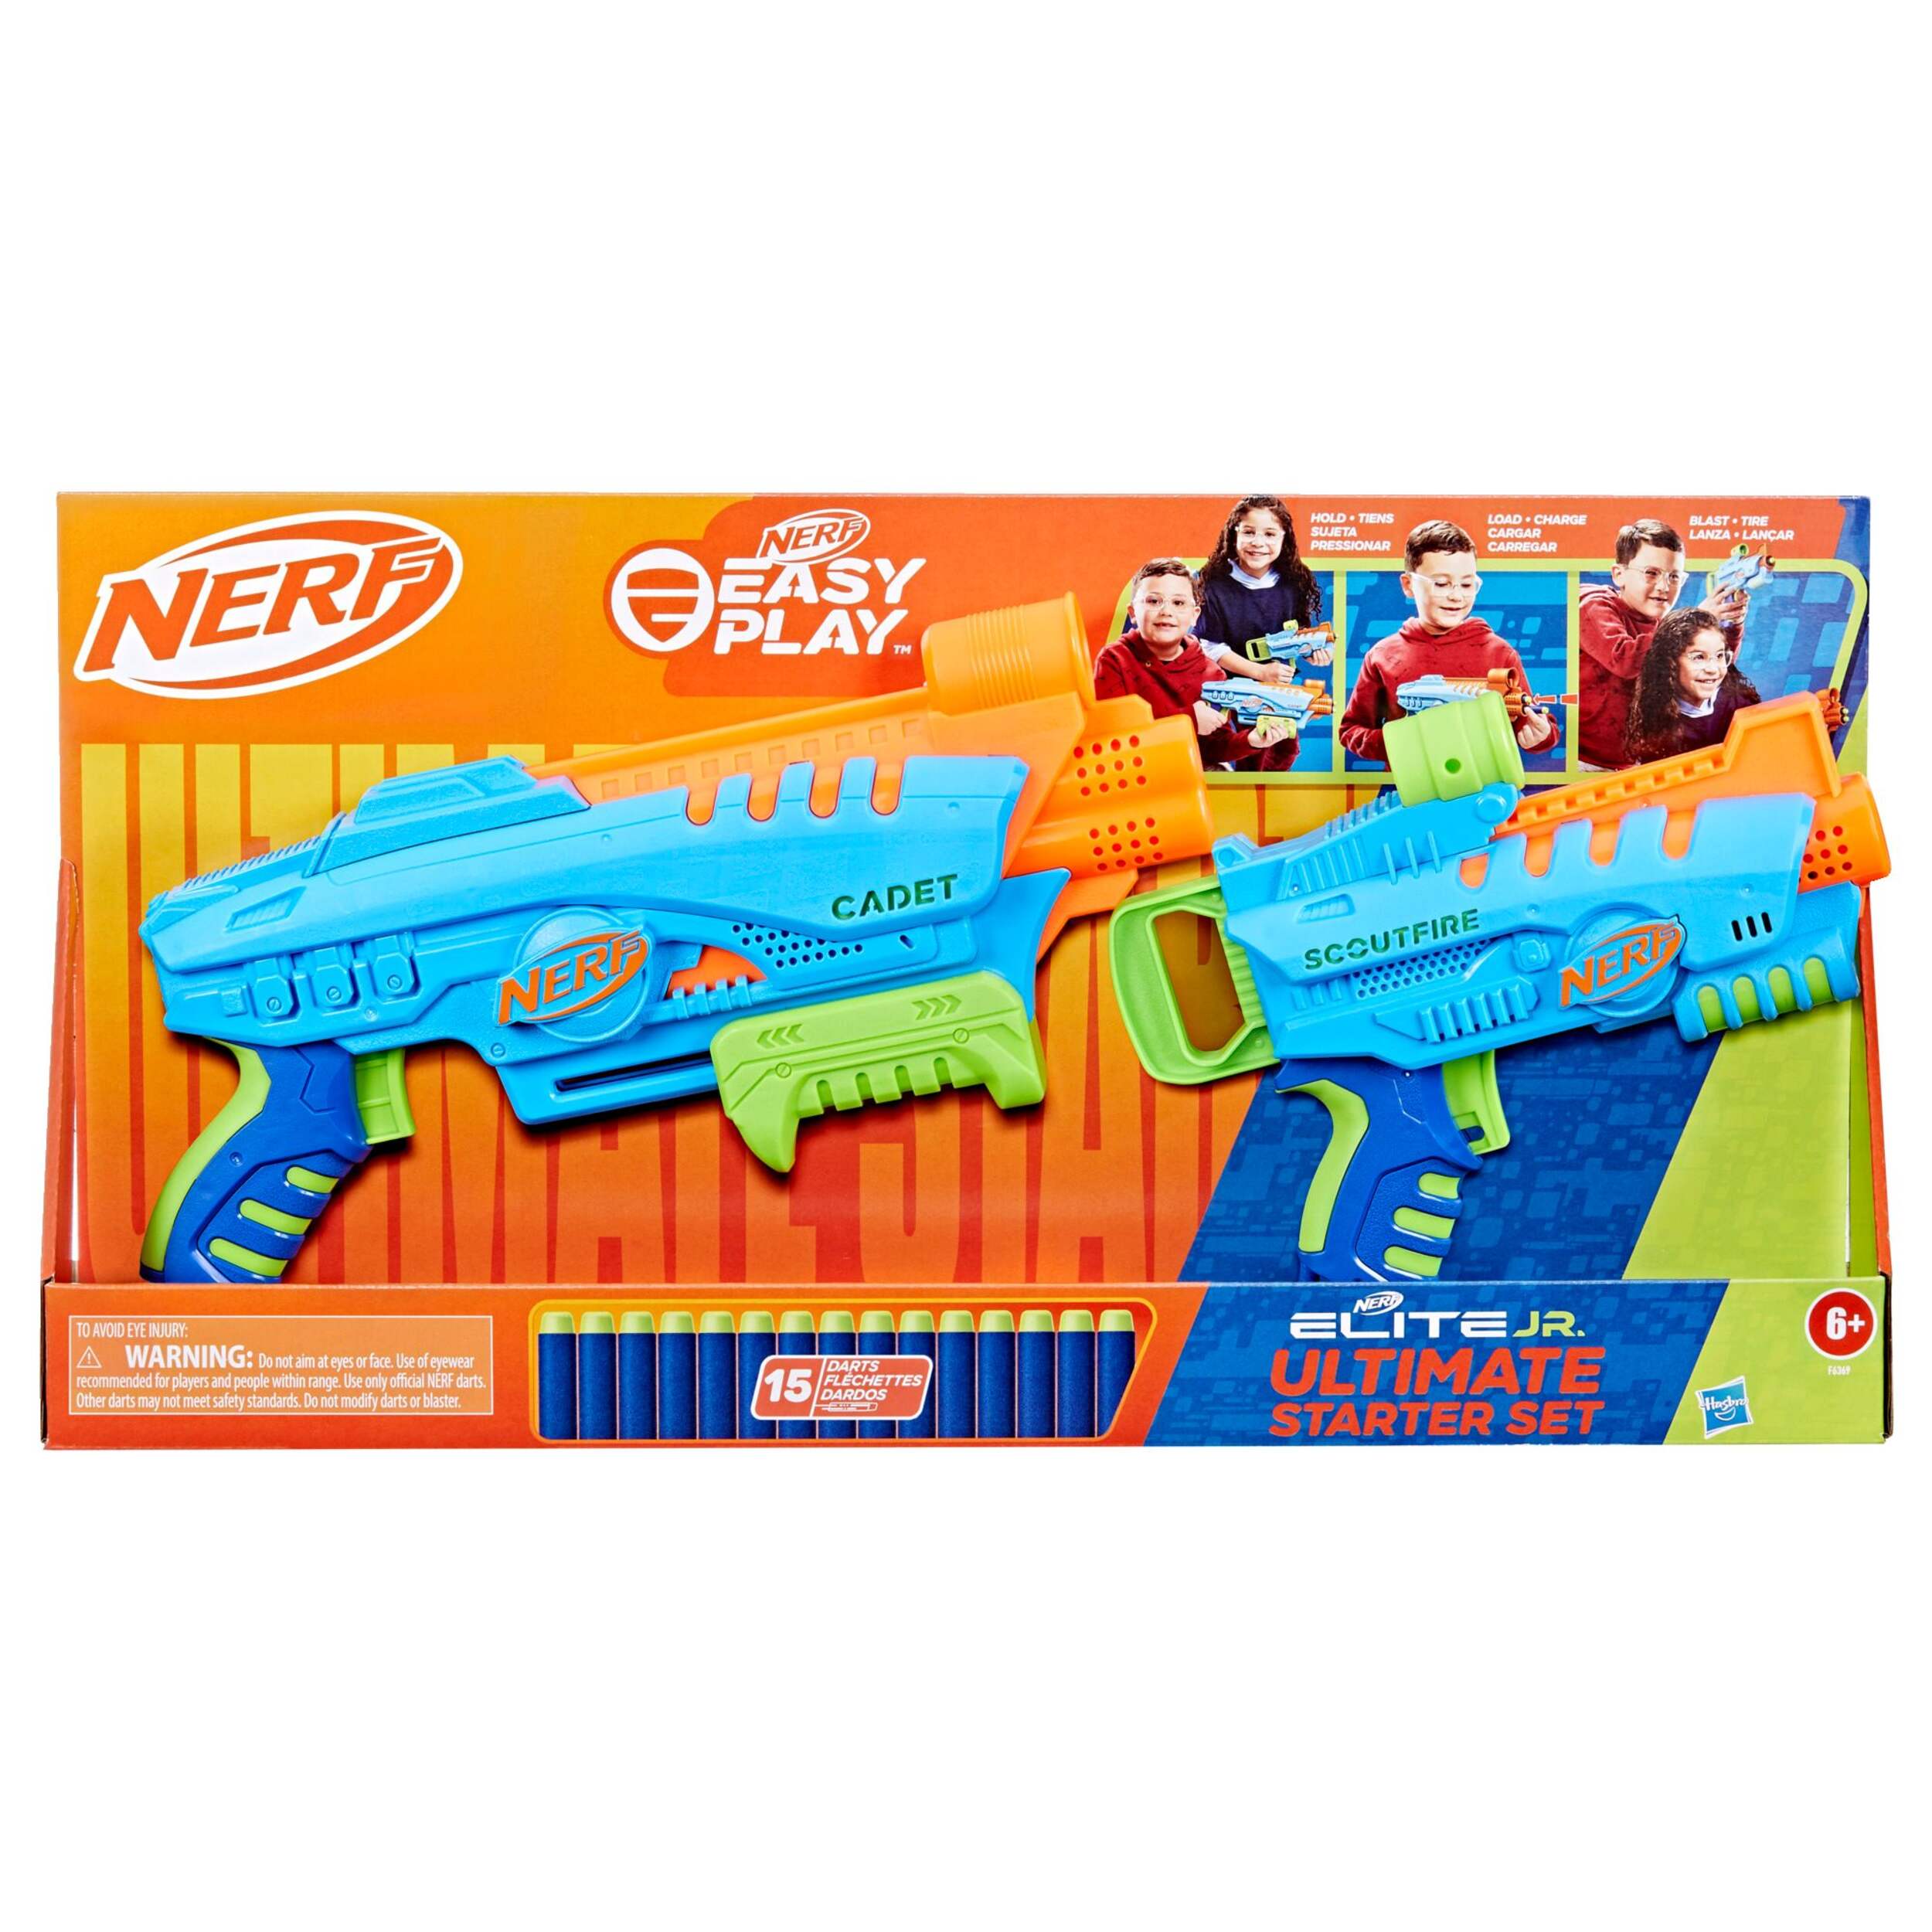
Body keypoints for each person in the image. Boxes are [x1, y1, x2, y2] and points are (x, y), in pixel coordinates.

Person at [1338, 520, 1559, 767]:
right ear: (1409, 585)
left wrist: (1540, 735)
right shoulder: (1382, 655)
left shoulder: (1500, 654)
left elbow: (1529, 722)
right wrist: (1401, 743)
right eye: (1441, 584)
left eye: (1467, 584)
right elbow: (1350, 730)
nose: (1456, 596)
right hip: (1410, 782)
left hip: (1485, 782)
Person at [1094, 558, 1298, 770]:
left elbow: (1215, 747)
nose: (1166, 611)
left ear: (1195, 616)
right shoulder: (1114, 659)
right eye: (1153, 601)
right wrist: (1189, 719)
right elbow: (1112, 731)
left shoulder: (1212, 673)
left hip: (1192, 771)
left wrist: (1251, 741)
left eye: (1179, 603)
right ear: (1133, 613)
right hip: (1135, 770)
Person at [1579, 518, 1749, 770]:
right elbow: (1623, 658)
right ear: (1619, 574)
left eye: (1674, 577)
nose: (1664, 586)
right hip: (1584, 763)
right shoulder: (1594, 605)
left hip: (1632, 764)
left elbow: (1711, 671)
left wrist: (1730, 624)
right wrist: (1697, 620)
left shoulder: (1664, 629)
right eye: (1651, 573)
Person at [1194, 494, 1330, 682]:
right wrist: (1260, 672)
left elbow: (1296, 633)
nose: (1258, 543)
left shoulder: (1295, 581)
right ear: (1234, 534)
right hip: (1225, 686)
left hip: (1278, 686)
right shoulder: (1212, 583)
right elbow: (1210, 646)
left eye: (1270, 534)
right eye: (1249, 532)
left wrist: (1314, 651)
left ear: (1284, 537)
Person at [1625, 607, 1762, 762]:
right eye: (1698, 657)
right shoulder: (1657, 726)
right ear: (1670, 663)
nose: (1712, 669)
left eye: (1719, 656)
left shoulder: (1739, 703)